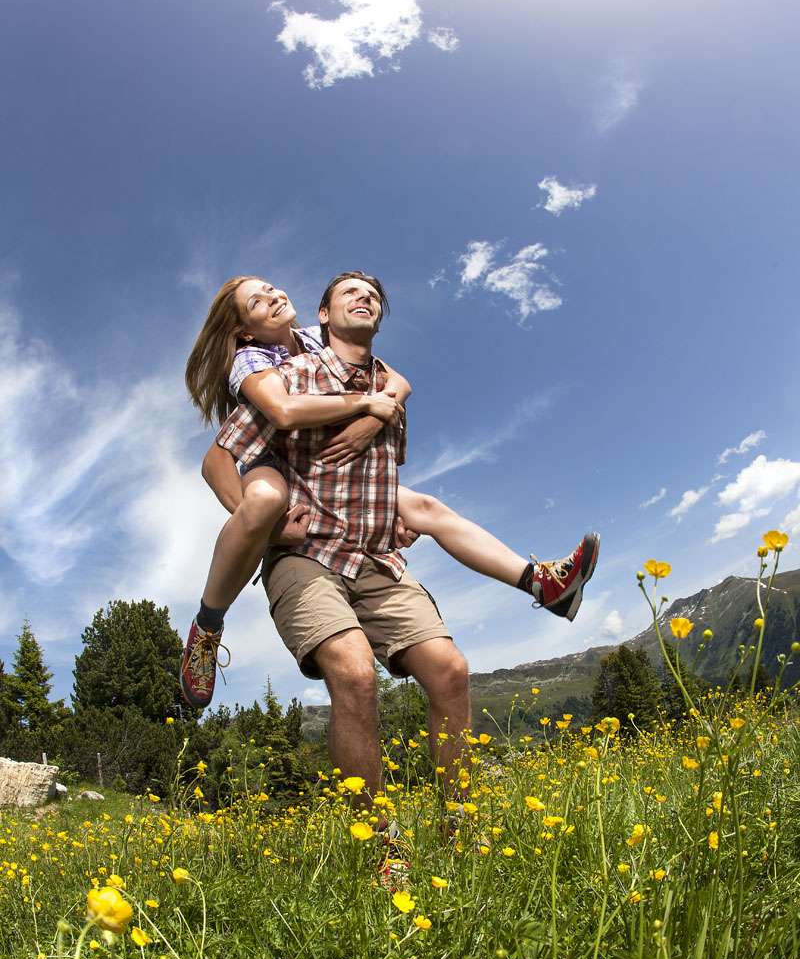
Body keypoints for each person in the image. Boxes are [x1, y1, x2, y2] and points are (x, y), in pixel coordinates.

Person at [186, 271, 599, 802]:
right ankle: (378, 846)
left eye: (375, 295)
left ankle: (464, 829)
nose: (366, 298)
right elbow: (220, 454)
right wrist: (260, 522)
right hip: (307, 547)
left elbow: (383, 446)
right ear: (324, 314)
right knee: (355, 673)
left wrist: (378, 420)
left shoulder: (383, 387)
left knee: (449, 661)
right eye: (350, 293)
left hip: (370, 552)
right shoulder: (284, 373)